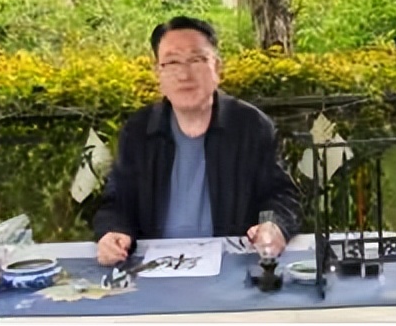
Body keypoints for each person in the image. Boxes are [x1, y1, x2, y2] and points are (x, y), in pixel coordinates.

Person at [92, 16, 301, 266]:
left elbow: (281, 195)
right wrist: (112, 232)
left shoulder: (251, 127)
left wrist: (273, 225)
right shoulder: (139, 131)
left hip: (232, 267)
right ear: (158, 73)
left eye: (196, 60)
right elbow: (117, 203)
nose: (184, 74)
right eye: (172, 62)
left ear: (217, 68)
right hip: (154, 269)